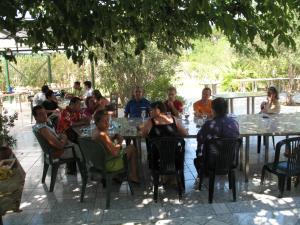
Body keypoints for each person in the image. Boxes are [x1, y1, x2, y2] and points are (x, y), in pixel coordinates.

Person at [92, 110, 139, 183]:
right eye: (104, 121)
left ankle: (118, 176)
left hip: (97, 163)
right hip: (108, 164)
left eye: (108, 120)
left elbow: (105, 145)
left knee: (124, 148)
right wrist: (120, 141)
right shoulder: (103, 135)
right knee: (131, 148)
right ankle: (133, 176)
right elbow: (115, 153)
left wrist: (112, 138)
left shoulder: (95, 131)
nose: (107, 123)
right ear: (97, 122)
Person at [194, 98, 239, 172]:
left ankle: (204, 176)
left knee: (199, 153)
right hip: (229, 160)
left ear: (213, 110)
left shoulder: (209, 124)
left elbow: (199, 139)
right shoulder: (234, 123)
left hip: (211, 162)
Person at [32, 105, 80, 174]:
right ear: (35, 117)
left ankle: (71, 169)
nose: (44, 115)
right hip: (59, 153)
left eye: (44, 113)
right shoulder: (43, 129)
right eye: (40, 114)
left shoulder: (38, 126)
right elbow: (60, 146)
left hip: (53, 151)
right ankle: (87, 173)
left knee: (72, 140)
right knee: (80, 147)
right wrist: (64, 138)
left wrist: (61, 136)